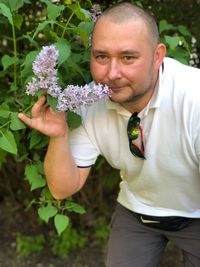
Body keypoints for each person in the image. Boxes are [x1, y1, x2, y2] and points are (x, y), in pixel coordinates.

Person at [18, 2, 200, 267]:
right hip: (137, 213)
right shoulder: (87, 103)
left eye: (128, 57)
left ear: (157, 56)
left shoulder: (194, 97)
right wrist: (58, 136)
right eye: (101, 56)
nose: (111, 74)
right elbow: (61, 189)